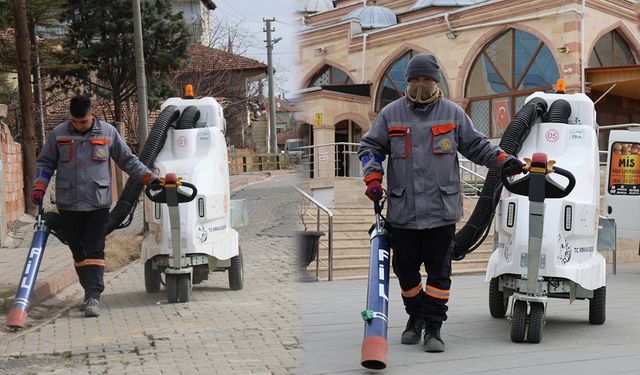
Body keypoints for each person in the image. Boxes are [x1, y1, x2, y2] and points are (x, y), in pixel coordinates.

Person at [357, 53, 524, 352]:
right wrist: (372, 178)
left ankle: (433, 328)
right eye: (415, 80)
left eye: (427, 80)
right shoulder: (390, 114)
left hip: (441, 210)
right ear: (408, 82)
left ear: (437, 82)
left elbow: (476, 145)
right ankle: (415, 317)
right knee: (405, 271)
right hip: (403, 211)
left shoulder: (452, 113)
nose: (421, 85)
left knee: (439, 273)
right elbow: (370, 147)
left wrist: (503, 160)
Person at [30, 95, 160, 318]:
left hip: (97, 203)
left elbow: (128, 160)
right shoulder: (59, 134)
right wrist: (39, 186)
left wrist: (149, 178)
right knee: (79, 252)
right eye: (75, 121)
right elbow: (45, 163)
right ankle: (88, 290)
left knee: (94, 248)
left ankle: (93, 295)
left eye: (83, 121)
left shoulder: (108, 133)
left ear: (92, 115)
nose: (79, 125)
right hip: (68, 203)